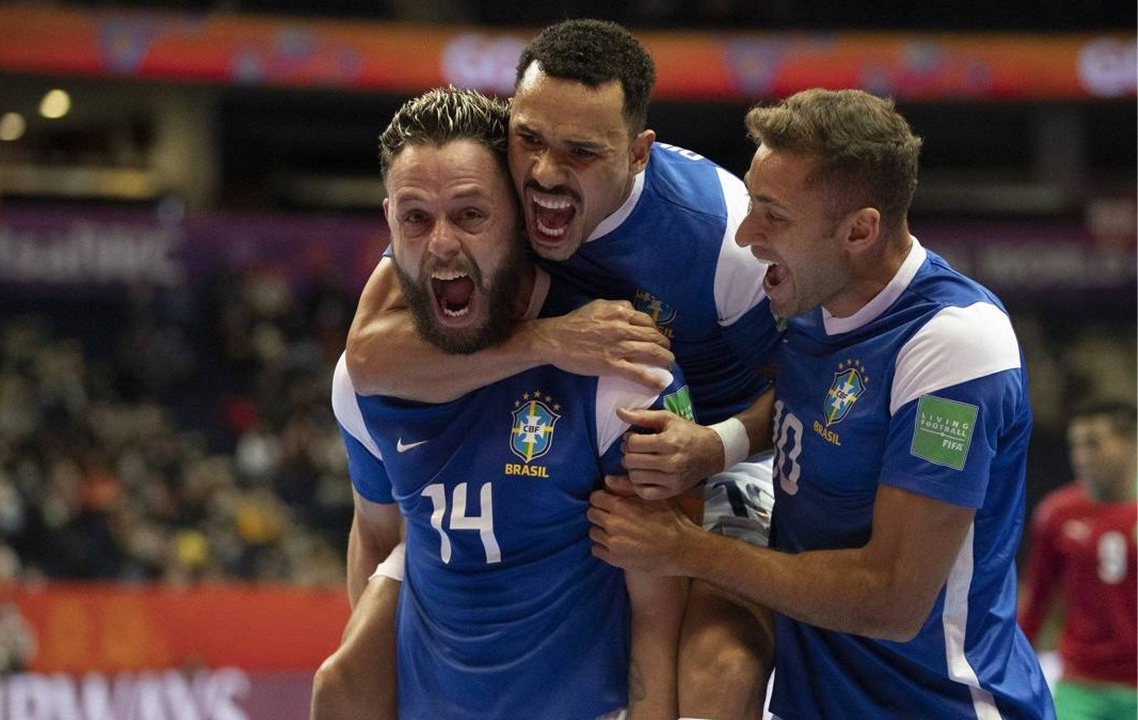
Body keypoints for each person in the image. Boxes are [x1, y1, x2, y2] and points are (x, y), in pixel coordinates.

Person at [337, 19, 781, 720]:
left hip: (726, 451)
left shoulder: (720, 231)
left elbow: (808, 389)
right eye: (532, 139)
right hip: (585, 430)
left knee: (718, 669)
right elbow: (366, 357)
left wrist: (715, 444)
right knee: (343, 680)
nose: (545, 172)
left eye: (580, 152)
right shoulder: (485, 192)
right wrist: (549, 341)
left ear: (637, 154)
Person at [587, 88, 1057, 719]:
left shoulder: (954, 345)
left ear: (859, 230)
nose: (748, 234)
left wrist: (685, 549)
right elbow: (806, 401)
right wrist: (717, 443)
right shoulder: (814, 302)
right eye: (752, 205)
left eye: (773, 216)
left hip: (940, 705)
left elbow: (890, 600)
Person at [320, 86, 688, 720]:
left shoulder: (616, 366)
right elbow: (378, 539)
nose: (439, 244)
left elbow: (659, 614)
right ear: (388, 222)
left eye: (469, 215)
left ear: (518, 218)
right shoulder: (364, 381)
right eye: (415, 217)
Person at [1019, 400, 1137, 720]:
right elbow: (1036, 599)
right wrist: (1013, 667)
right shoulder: (1057, 513)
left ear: (1129, 443)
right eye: (1076, 445)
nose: (1081, 456)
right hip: (1081, 684)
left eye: (1094, 443)